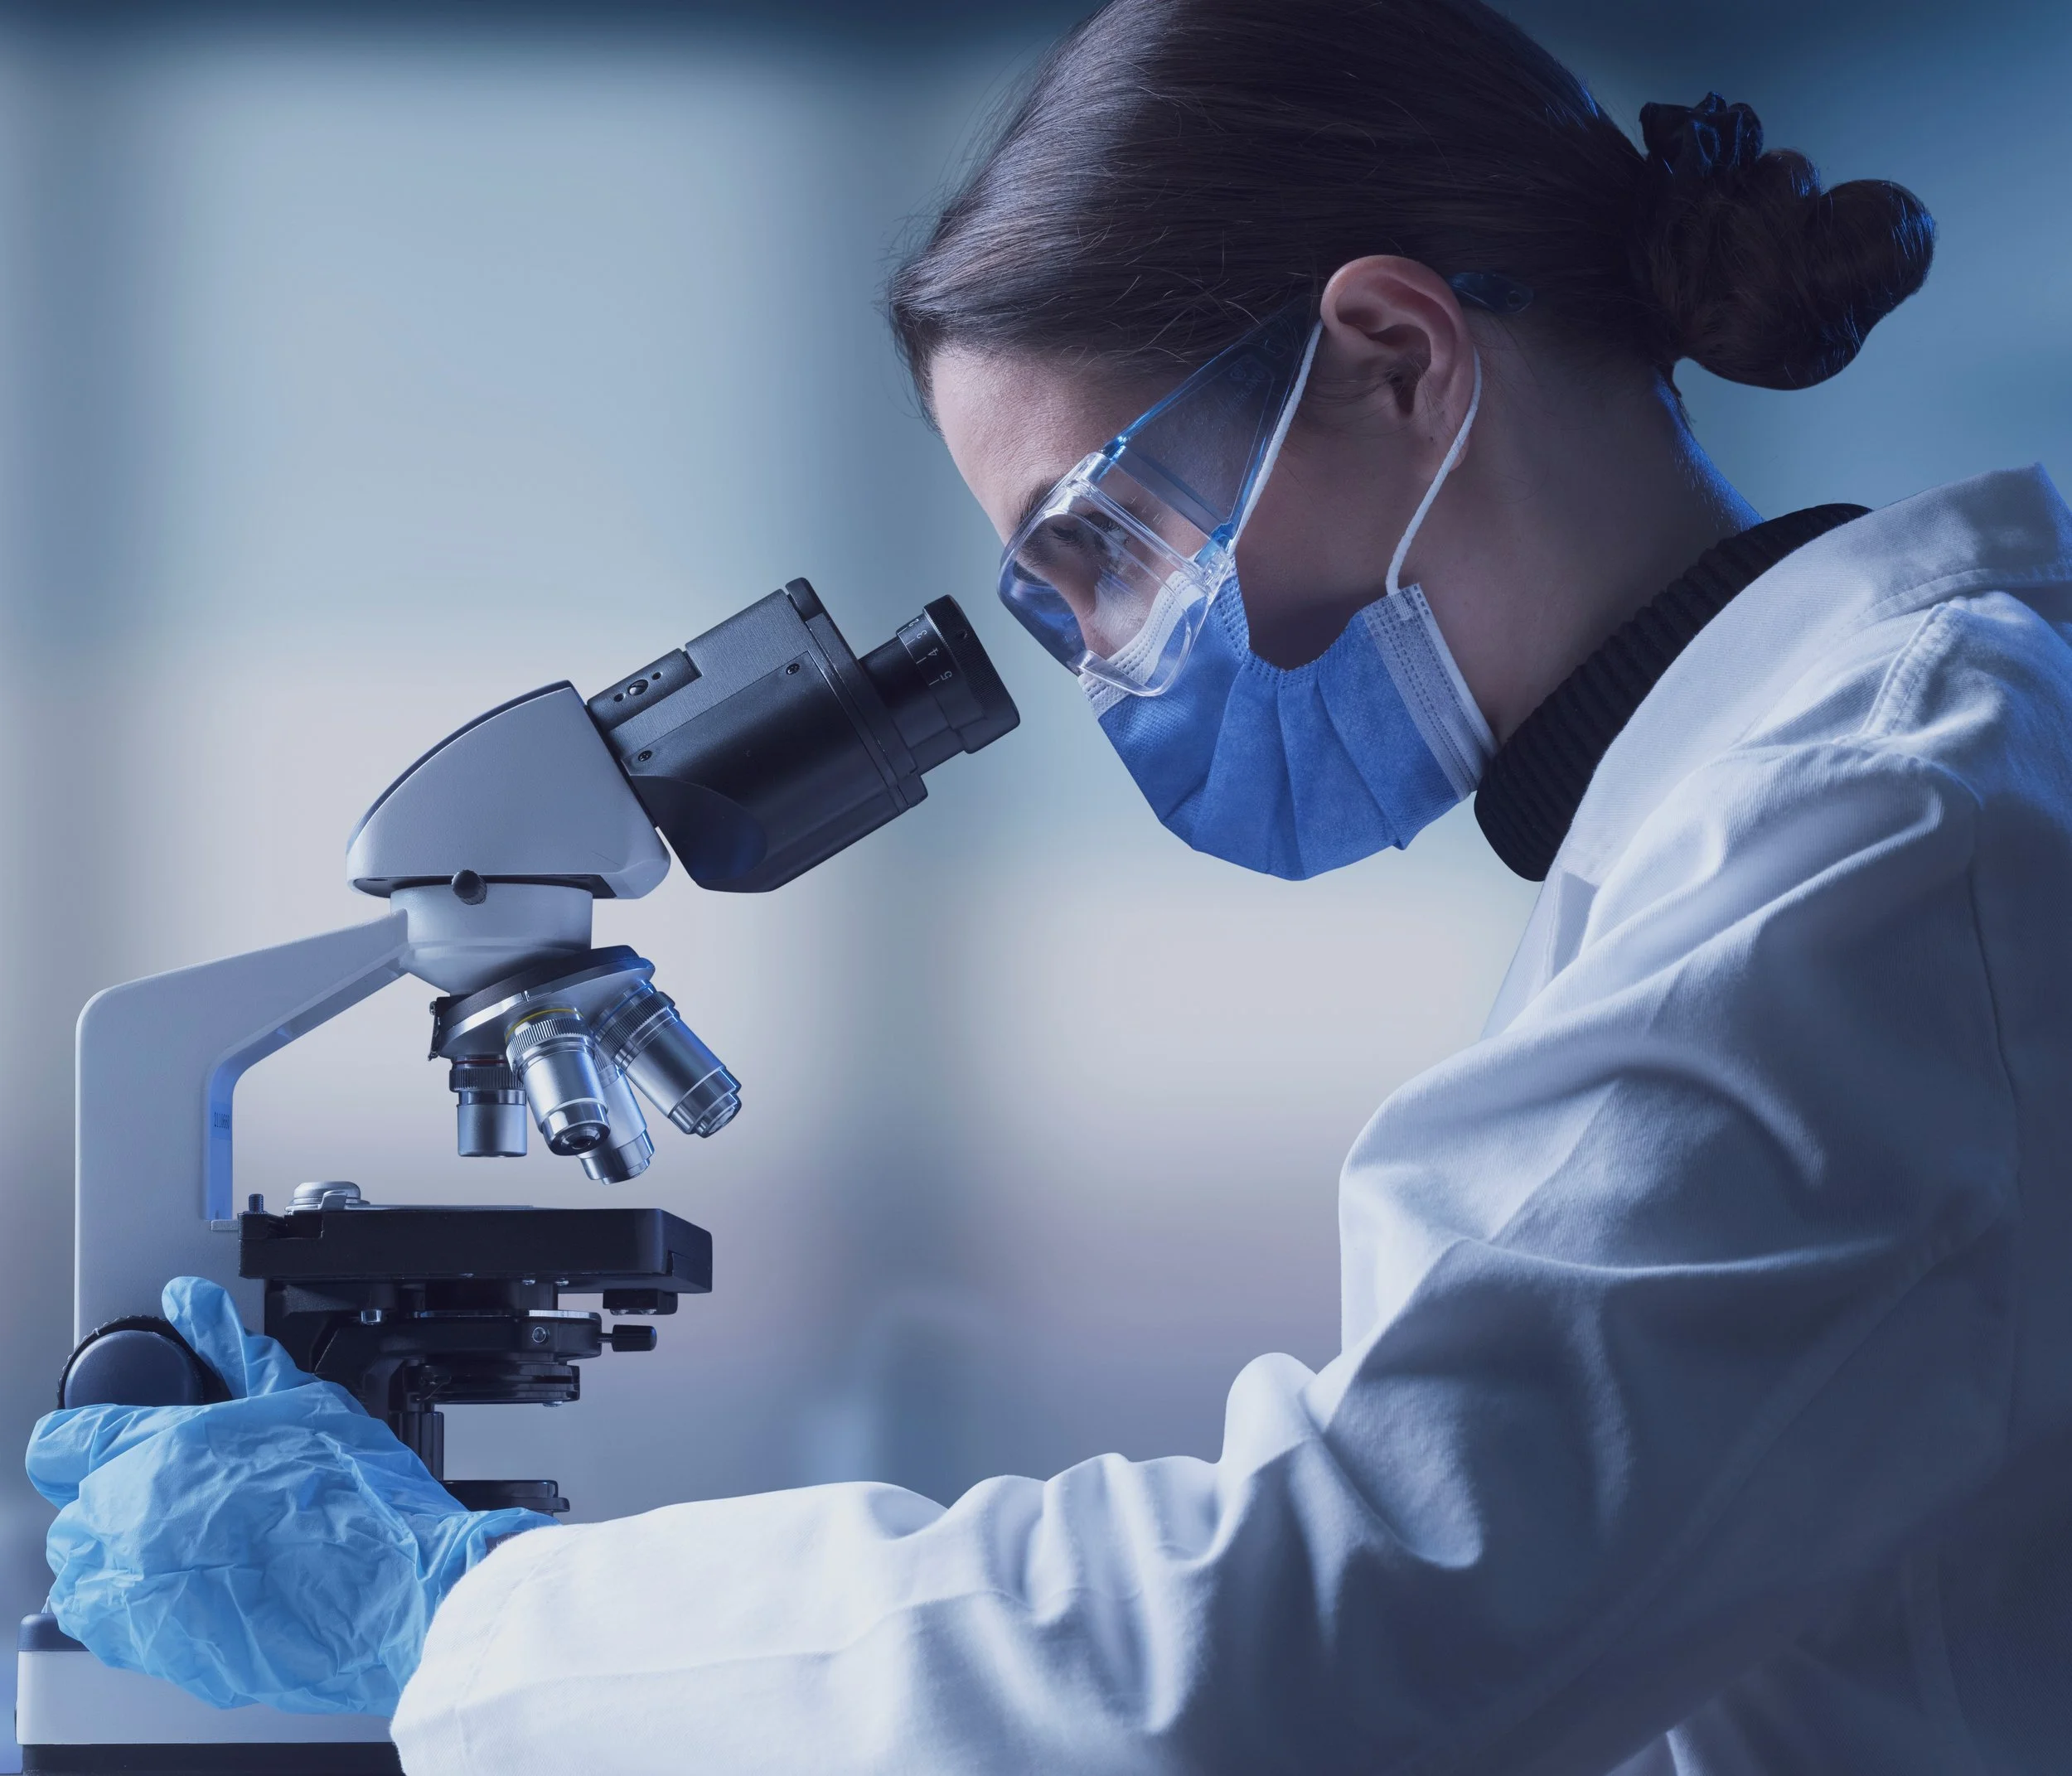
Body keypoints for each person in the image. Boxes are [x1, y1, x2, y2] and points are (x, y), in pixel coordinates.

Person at [28, 1, 2072, 1770]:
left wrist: (450, 1618)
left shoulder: (1878, 843)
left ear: (1393, 362)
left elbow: (1280, 1660)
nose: (1098, 666)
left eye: (1097, 546)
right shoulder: (1763, 824)